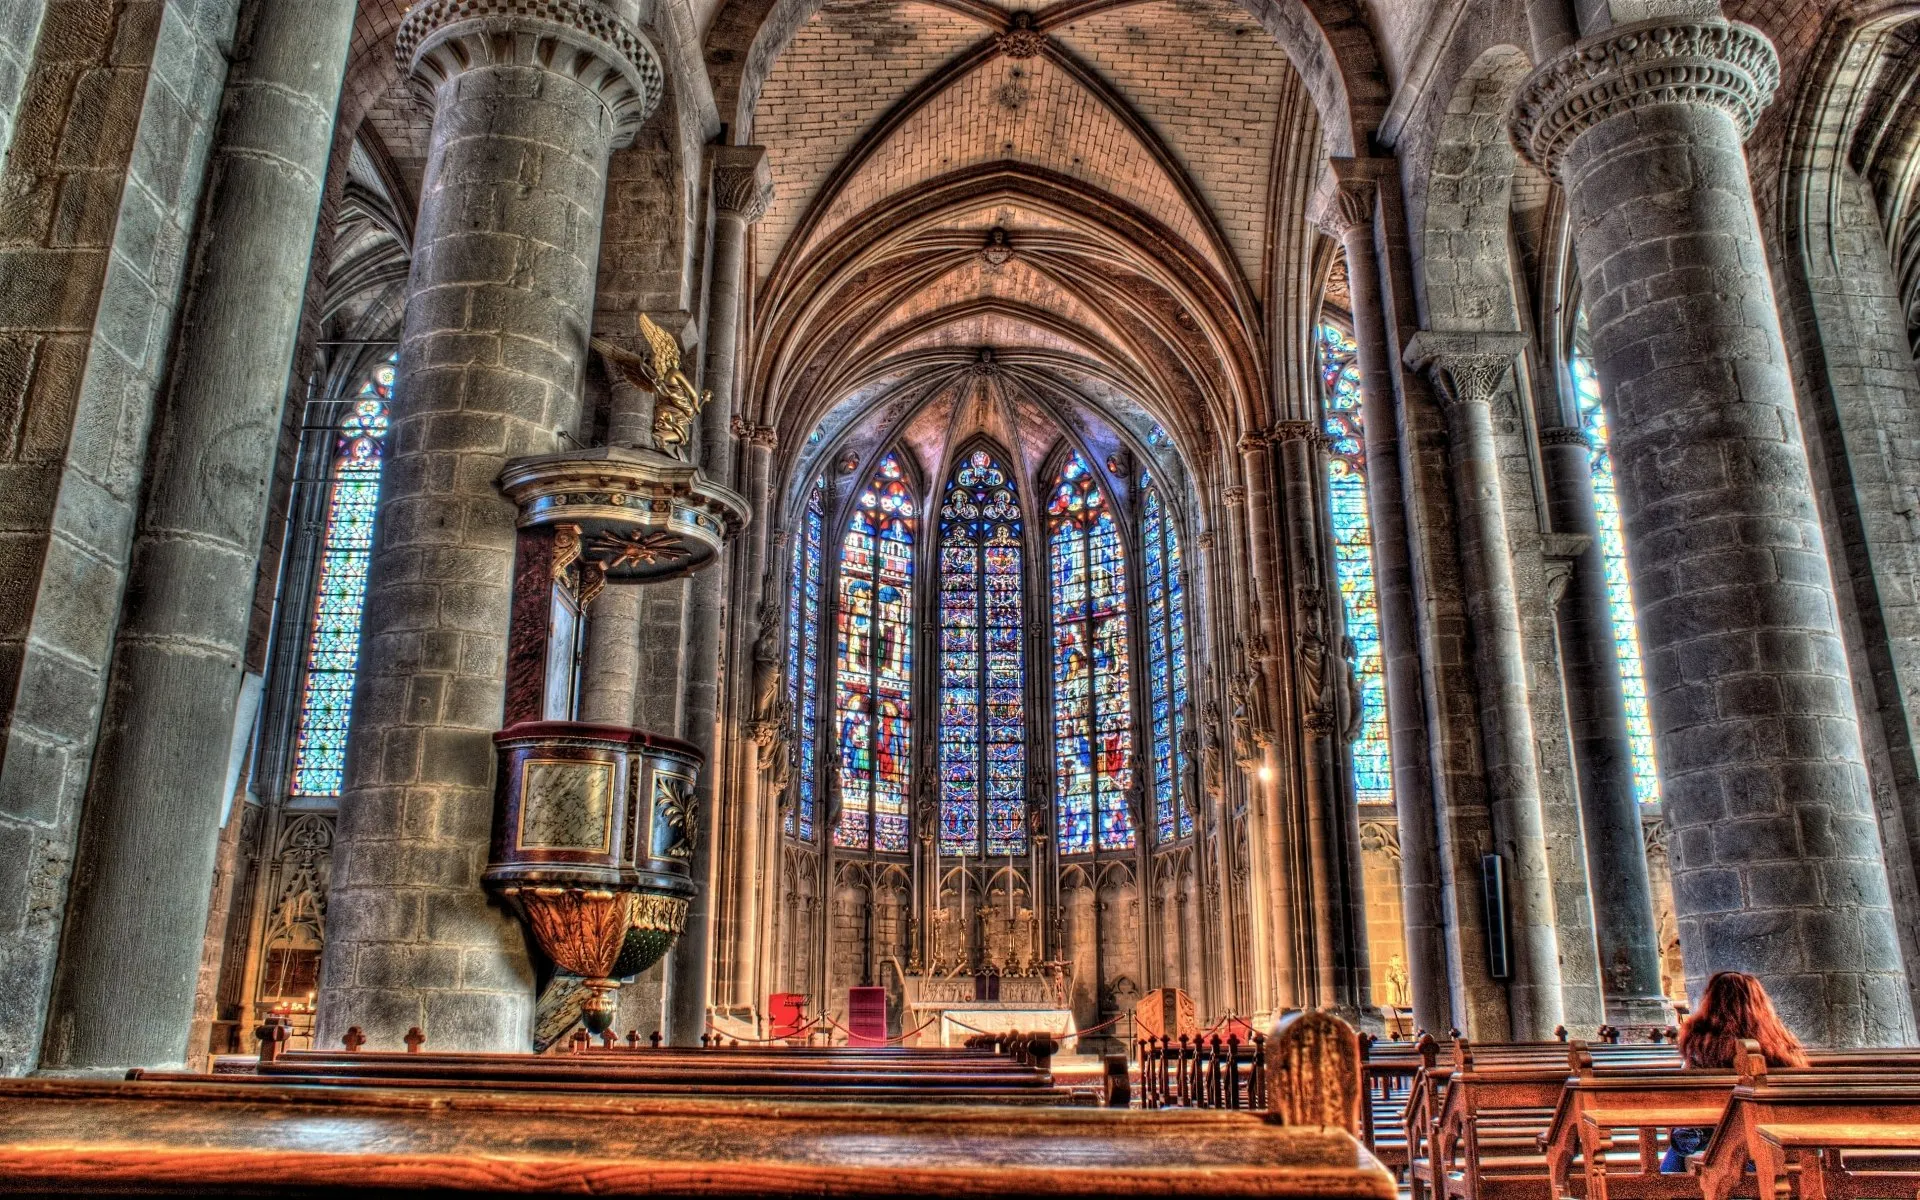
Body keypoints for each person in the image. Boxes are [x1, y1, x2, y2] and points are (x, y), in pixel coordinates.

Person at [1660, 971, 1809, 1172]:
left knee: (1678, 1154)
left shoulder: (1700, 1046)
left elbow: (1685, 1099)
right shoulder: (1779, 1042)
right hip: (1772, 1138)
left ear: (1709, 1003)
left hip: (1716, 1142)